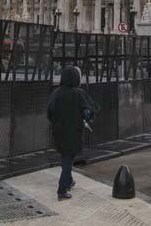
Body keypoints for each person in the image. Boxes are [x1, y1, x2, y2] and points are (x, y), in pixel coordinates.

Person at [47, 65, 95, 200]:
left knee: (65, 157)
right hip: (73, 131)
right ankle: (62, 189)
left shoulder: (56, 92)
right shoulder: (78, 93)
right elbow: (88, 112)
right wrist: (86, 119)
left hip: (59, 131)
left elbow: (50, 111)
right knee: (68, 159)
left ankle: (69, 180)